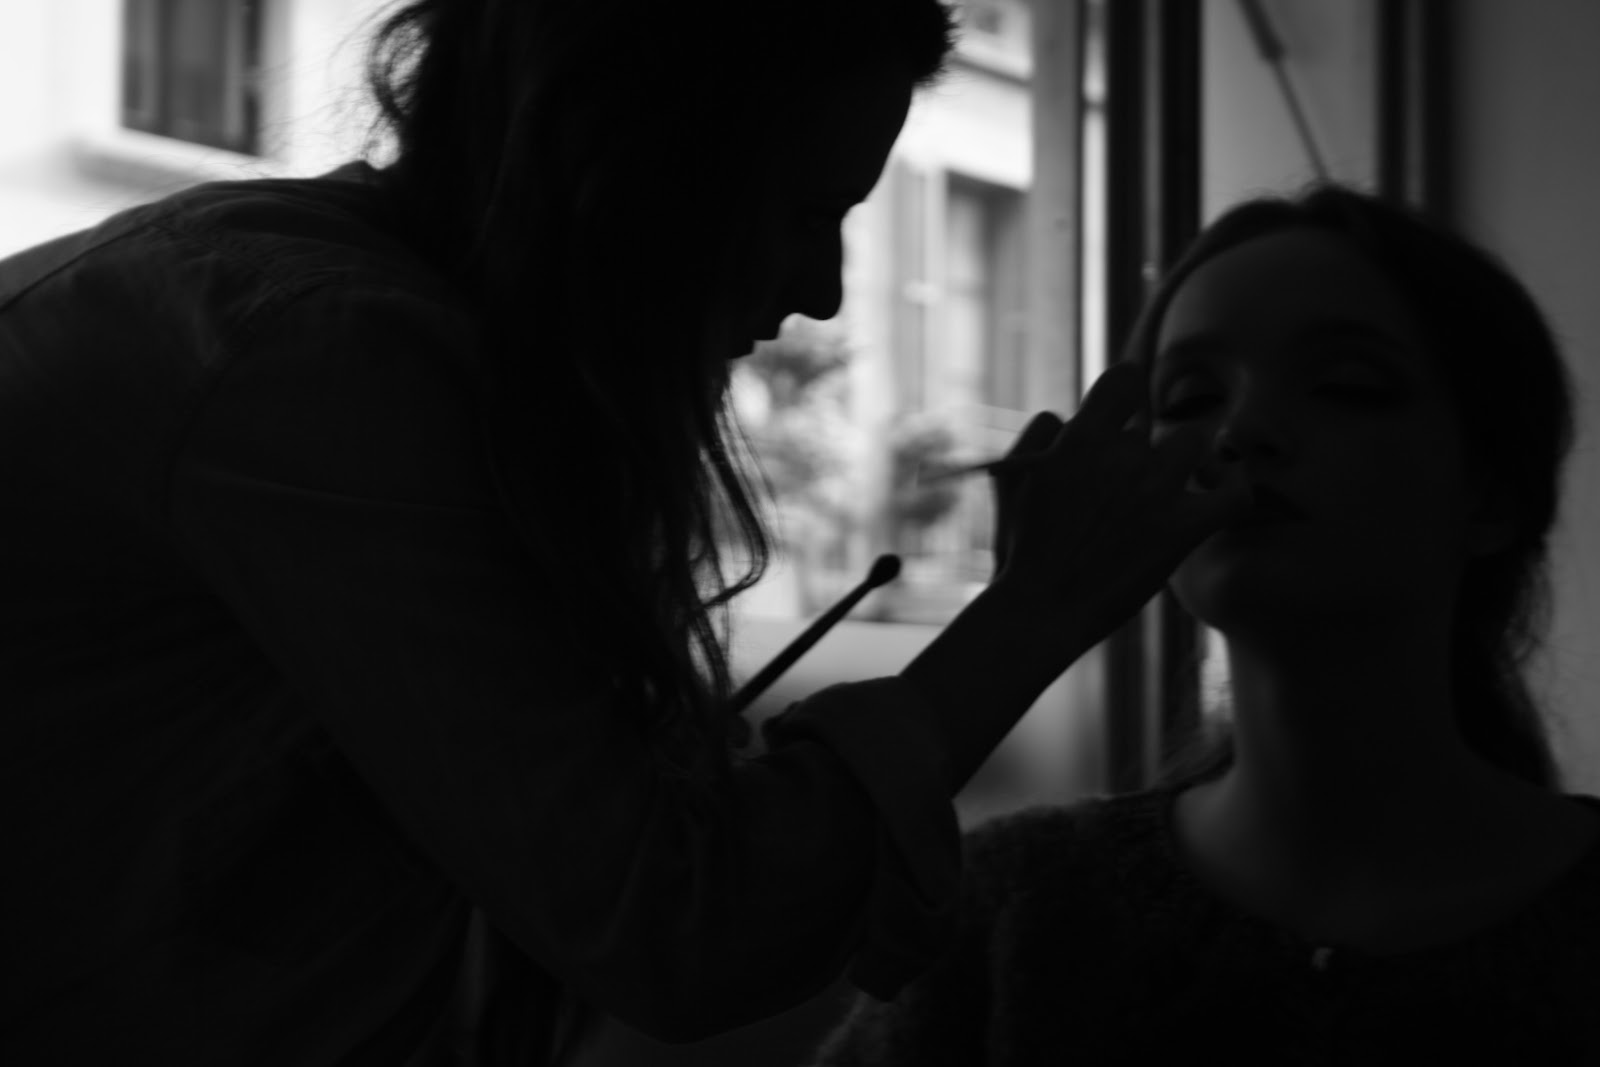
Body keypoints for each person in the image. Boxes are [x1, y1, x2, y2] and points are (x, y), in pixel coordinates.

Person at [0, 1, 1252, 1064]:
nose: (819, 289)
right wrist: (1036, 607)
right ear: (621, 161)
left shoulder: (354, 337)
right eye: (799, 208)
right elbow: (671, 922)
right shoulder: (307, 357)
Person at [809, 185, 1600, 1065]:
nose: (1241, 431)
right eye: (1190, 398)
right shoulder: (1012, 909)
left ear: (1491, 493)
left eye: (1345, 385)